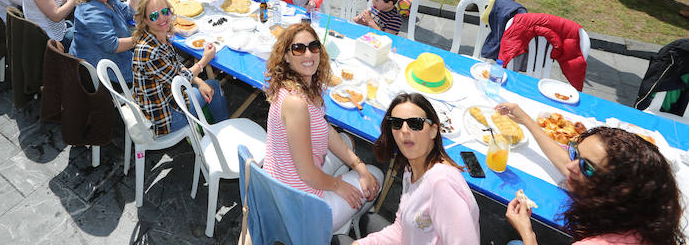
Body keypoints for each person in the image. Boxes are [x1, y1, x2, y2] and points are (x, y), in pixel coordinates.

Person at [496, 103, 681, 245]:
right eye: (575, 154)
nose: (570, 167)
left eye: (587, 167)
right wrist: (526, 120)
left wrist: (528, 234)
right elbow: (571, 164)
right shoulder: (648, 215)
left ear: (619, 189)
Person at [263, 23, 382, 232]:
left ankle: (342, 209)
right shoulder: (296, 103)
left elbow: (324, 130)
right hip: (299, 206)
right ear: (287, 56)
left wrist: (357, 165)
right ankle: (339, 228)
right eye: (299, 48)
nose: (308, 53)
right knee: (375, 176)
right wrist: (339, 185)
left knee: (347, 143)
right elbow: (308, 173)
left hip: (281, 180)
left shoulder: (301, 86)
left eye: (313, 46)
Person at [351, 93, 479, 244]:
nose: (404, 130)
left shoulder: (442, 184)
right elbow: (402, 228)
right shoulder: (411, 170)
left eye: (415, 123)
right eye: (397, 123)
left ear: (433, 130)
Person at [131, 0, 227, 136]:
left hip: (165, 99)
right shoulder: (149, 52)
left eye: (165, 11)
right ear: (144, 20)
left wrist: (198, 80)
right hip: (165, 117)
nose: (162, 18)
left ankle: (215, 130)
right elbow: (179, 80)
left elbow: (175, 66)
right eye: (154, 16)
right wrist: (203, 61)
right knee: (213, 86)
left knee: (207, 85)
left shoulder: (156, 36)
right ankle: (223, 133)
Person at [70, 0, 144, 82]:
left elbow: (130, 13)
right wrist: (145, 37)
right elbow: (113, 45)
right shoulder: (90, 12)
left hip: (114, 57)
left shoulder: (109, 0)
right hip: (106, 72)